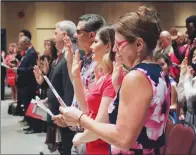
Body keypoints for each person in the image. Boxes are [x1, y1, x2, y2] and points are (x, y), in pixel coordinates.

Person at [54, 6, 171, 155]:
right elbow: (140, 121)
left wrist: (80, 119)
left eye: (118, 44)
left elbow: (124, 138)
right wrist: (118, 88)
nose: (115, 50)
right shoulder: (158, 72)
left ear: (139, 45)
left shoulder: (136, 77)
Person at [55, 26, 116, 154]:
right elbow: (86, 108)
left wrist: (79, 138)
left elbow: (100, 125)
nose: (92, 47)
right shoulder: (101, 75)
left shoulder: (111, 79)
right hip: (91, 144)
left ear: (107, 46)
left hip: (102, 147)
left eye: (96, 42)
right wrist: (76, 76)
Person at [64, 14, 106, 154]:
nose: (75, 36)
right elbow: (79, 89)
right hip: (81, 127)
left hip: (91, 133)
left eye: (79, 32)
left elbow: (90, 102)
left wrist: (78, 118)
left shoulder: (100, 65)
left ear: (92, 35)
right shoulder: (86, 59)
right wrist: (70, 61)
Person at [33, 20, 76, 155]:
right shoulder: (61, 55)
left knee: (68, 147)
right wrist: (43, 82)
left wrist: (67, 113)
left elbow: (69, 87)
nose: (53, 36)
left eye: (55, 33)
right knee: (63, 147)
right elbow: (56, 83)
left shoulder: (69, 55)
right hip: (58, 111)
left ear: (63, 35)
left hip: (65, 114)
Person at [10, 36, 39, 133]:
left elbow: (30, 69)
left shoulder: (32, 53)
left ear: (27, 43)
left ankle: (34, 126)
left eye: (21, 44)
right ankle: (31, 125)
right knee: (26, 106)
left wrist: (18, 70)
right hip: (24, 84)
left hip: (28, 85)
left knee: (29, 106)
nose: (20, 46)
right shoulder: (27, 53)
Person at [154, 52, 178, 123]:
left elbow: (174, 106)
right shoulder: (154, 82)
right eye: (157, 65)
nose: (160, 68)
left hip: (169, 119)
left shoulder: (172, 84)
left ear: (168, 65)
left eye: (162, 64)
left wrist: (158, 108)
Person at [177, 47, 196, 126]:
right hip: (189, 116)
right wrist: (183, 74)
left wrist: (187, 77)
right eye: (194, 55)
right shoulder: (192, 74)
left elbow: (190, 97)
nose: (195, 58)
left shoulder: (191, 76)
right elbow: (181, 98)